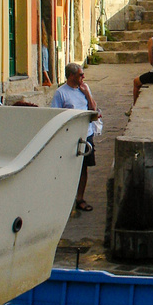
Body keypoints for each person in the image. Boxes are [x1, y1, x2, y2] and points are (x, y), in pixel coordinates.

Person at [51, 63, 99, 212]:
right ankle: (64, 198)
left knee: (84, 167)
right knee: (69, 166)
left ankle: (80, 198)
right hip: (70, 136)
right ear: (71, 76)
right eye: (80, 75)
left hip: (86, 134)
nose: (83, 77)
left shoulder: (84, 88)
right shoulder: (61, 93)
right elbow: (55, 114)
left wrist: (87, 94)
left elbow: (94, 109)